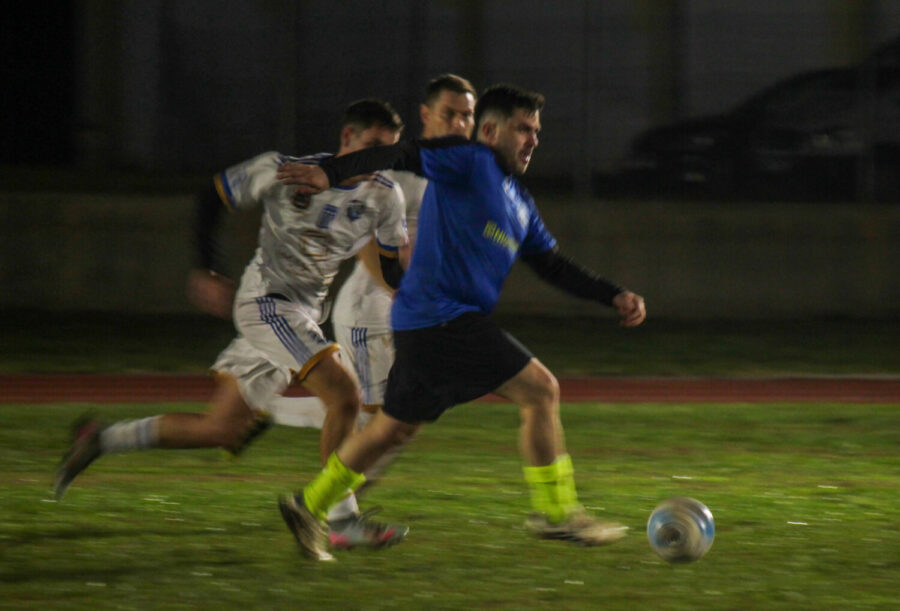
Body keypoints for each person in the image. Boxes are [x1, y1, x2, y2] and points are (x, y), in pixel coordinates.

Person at [273, 84, 647, 560]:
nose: (533, 140)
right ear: (489, 130)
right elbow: (403, 153)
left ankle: (309, 505)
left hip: (424, 324)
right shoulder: (470, 160)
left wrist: (612, 294)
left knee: (391, 431)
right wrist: (330, 171)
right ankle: (556, 512)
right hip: (442, 318)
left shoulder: (519, 201)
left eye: (536, 131)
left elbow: (552, 265)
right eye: (523, 129)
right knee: (541, 391)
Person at [53, 99, 412, 560]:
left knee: (220, 428)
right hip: (266, 305)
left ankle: (101, 438)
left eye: (387, 151)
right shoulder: (285, 170)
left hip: (302, 316)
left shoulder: (385, 195)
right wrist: (206, 267)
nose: (377, 160)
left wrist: (418, 303)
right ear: (347, 138)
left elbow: (390, 268)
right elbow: (211, 196)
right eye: (372, 146)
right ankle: (340, 520)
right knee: (344, 395)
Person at [268, 75, 477, 545]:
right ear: (426, 116)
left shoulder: (459, 173)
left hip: (405, 311)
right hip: (374, 311)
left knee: (397, 422)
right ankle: (335, 517)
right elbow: (367, 239)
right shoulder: (400, 169)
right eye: (449, 113)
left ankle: (320, 491)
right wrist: (404, 295)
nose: (459, 123)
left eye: (466, 115)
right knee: (385, 422)